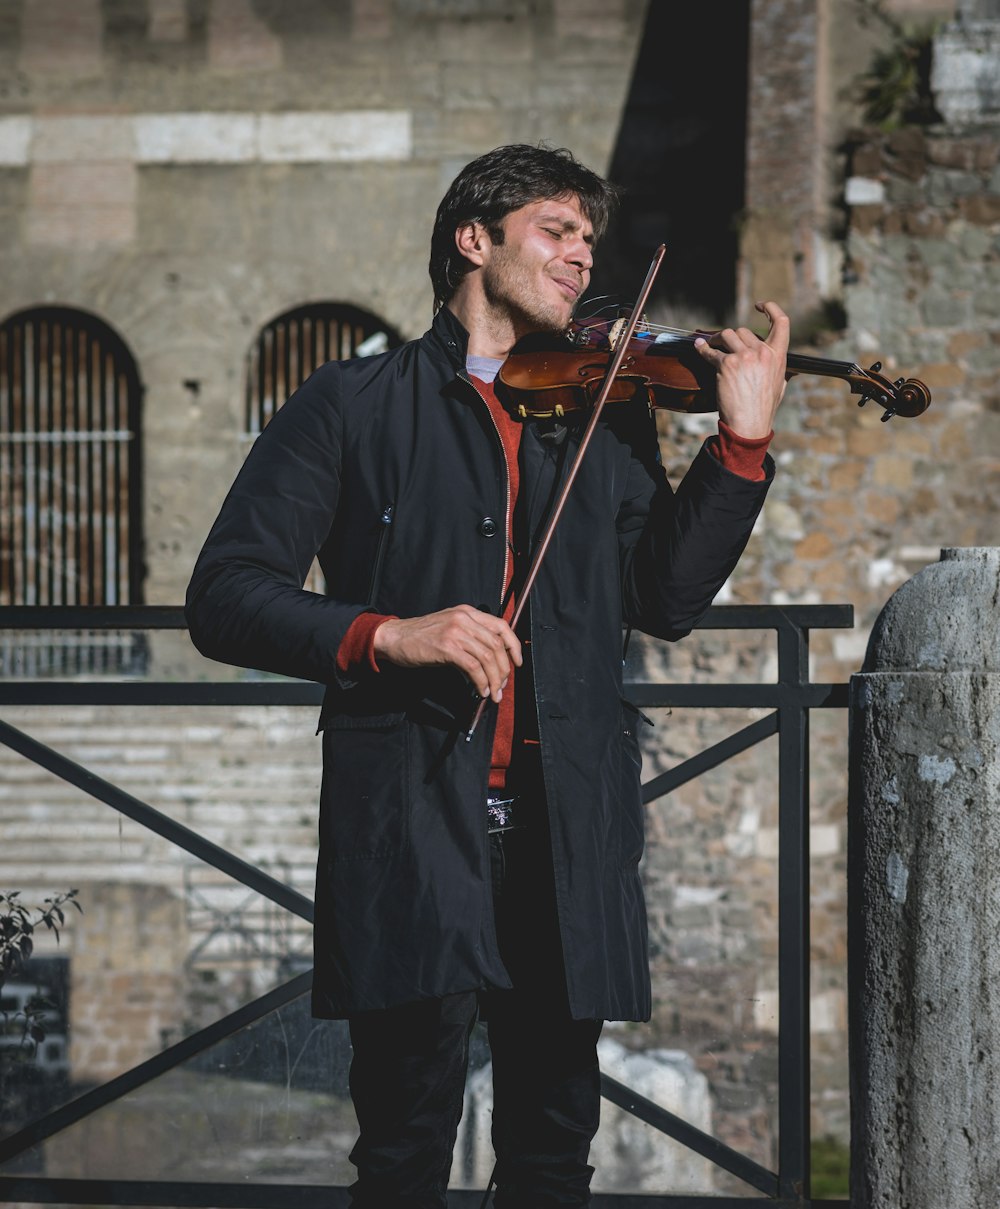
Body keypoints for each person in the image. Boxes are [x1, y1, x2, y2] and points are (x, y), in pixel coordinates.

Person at [185, 143, 788, 1208]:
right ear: (475, 239)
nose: (580, 258)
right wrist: (389, 635)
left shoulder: (605, 408)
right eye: (557, 232)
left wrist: (739, 446)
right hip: (412, 817)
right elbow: (227, 592)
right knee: (404, 1148)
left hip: (569, 826)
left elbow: (665, 599)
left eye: (590, 241)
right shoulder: (353, 404)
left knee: (554, 1149)